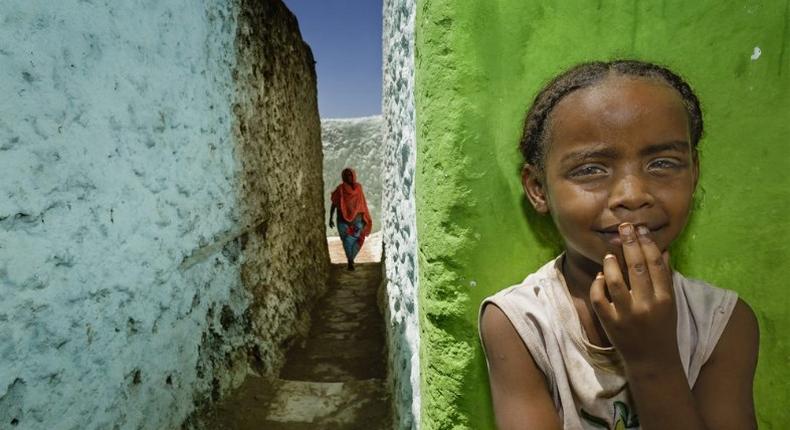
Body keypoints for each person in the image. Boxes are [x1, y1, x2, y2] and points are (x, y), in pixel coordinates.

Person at [479, 60, 759, 429]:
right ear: (537, 188)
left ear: (694, 171)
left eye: (663, 163)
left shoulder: (723, 324)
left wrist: (653, 359)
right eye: (590, 169)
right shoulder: (521, 323)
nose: (632, 195)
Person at [329, 168, 372, 271]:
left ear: (354, 176)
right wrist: (330, 217)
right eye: (347, 175)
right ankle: (350, 262)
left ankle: (350, 259)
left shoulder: (358, 188)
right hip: (343, 221)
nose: (349, 177)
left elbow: (362, 204)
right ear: (344, 177)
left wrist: (365, 218)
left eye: (351, 175)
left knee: (359, 239)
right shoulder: (340, 189)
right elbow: (334, 204)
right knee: (347, 241)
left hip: (357, 221)